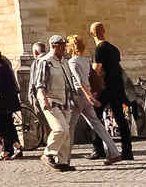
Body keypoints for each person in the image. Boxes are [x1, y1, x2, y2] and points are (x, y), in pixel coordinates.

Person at [31, 33, 78, 172]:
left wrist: (74, 97)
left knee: (66, 132)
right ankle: (48, 154)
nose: (64, 48)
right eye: (61, 46)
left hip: (64, 100)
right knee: (60, 129)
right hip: (50, 100)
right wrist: (44, 99)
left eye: (64, 45)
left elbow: (68, 81)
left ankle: (62, 161)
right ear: (53, 46)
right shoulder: (45, 61)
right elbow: (39, 83)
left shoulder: (63, 61)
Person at [90, 21, 133, 161]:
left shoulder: (99, 49)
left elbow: (97, 70)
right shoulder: (114, 48)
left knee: (94, 117)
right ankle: (127, 151)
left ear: (92, 34)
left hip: (105, 88)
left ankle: (98, 149)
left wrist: (89, 85)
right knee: (120, 119)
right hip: (118, 87)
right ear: (104, 31)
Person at [66, 33, 109, 162]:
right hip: (86, 94)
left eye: (68, 45)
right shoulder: (85, 60)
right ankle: (113, 151)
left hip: (80, 96)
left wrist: (89, 97)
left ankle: (65, 157)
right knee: (96, 124)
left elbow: (80, 81)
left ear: (72, 47)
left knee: (70, 127)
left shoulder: (72, 61)